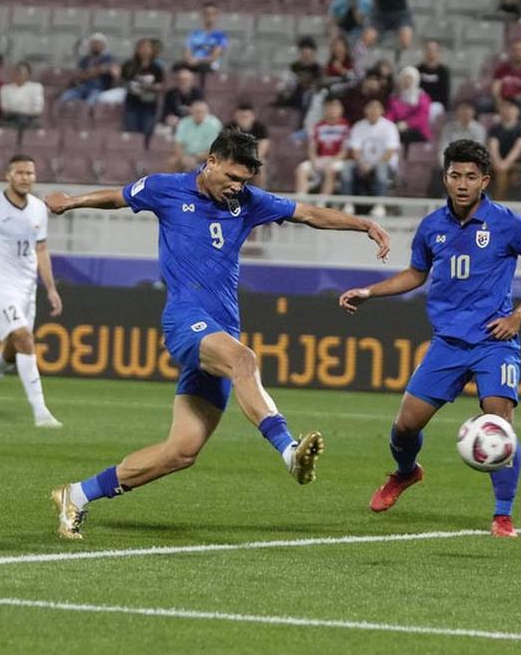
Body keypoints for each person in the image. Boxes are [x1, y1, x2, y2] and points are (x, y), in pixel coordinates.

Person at [45, 130, 392, 540]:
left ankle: (76, 495)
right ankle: (288, 451)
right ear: (210, 161)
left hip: (220, 330)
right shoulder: (165, 189)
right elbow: (117, 196)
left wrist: (364, 224)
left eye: (243, 181)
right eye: (231, 176)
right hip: (184, 320)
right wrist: (70, 202)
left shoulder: (247, 203)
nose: (236, 187)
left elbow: (308, 213)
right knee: (244, 360)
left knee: (182, 451)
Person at [338, 139, 521, 538]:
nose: (462, 183)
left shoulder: (508, 223)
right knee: (404, 426)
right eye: (455, 175)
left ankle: (502, 515)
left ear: (485, 181)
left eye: (471, 177)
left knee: (499, 421)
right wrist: (370, 291)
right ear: (445, 177)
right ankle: (406, 473)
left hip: (494, 341)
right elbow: (415, 274)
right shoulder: (432, 227)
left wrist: (518, 316)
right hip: (448, 344)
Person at [0, 155, 62, 428]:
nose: (26, 178)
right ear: (8, 176)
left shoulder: (38, 209)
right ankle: (41, 412)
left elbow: (41, 250)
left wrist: (51, 289)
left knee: (12, 350)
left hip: (27, 287)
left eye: (30, 173)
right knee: (23, 338)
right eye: (20, 173)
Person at [339, 98, 400, 197]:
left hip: (384, 163)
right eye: (371, 107)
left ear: (382, 110)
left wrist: (373, 165)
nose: (373, 110)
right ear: (365, 110)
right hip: (363, 163)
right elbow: (355, 150)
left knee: (381, 168)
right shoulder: (358, 126)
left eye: (377, 108)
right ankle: (347, 202)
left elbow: (390, 152)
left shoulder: (390, 127)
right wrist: (361, 163)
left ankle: (380, 204)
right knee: (347, 166)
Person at [295, 97, 350, 196]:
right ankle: (301, 200)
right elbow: (312, 147)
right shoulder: (318, 126)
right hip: (320, 159)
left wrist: (333, 161)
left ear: (341, 110)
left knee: (331, 170)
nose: (332, 110)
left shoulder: (345, 126)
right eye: (329, 107)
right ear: (325, 110)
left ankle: (322, 201)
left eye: (335, 107)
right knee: (301, 169)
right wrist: (314, 161)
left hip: (337, 160)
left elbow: (345, 150)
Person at [120, 39, 164, 137]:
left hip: (149, 104)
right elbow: (123, 80)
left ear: (152, 50)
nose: (145, 50)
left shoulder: (157, 67)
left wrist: (149, 86)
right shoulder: (129, 65)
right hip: (132, 103)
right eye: (142, 47)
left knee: (147, 131)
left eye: (147, 48)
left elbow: (161, 85)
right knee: (132, 132)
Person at [487, 99, 521, 200]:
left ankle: (499, 202)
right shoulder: (495, 129)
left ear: (517, 111)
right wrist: (498, 163)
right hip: (495, 164)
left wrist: (505, 164)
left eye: (510, 107)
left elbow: (518, 148)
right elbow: (493, 146)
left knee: (503, 173)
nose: (507, 110)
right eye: (504, 107)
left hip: (516, 164)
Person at [57, 33, 116, 105]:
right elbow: (79, 75)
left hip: (97, 89)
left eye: (98, 43)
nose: (95, 45)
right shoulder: (85, 59)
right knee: (64, 98)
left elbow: (105, 69)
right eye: (93, 43)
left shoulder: (108, 58)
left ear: (103, 45)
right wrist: (94, 72)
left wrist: (88, 73)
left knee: (90, 104)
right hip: (82, 87)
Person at [223, 102, 271, 187]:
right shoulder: (229, 127)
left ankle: (260, 192)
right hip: (234, 157)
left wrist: (250, 159)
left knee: (260, 165)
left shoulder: (260, 128)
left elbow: (263, 147)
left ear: (253, 117)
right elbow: (226, 146)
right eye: (240, 117)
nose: (243, 119)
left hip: (253, 158)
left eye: (246, 117)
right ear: (235, 117)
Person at [171, 99, 223, 171]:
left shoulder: (214, 124)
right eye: (196, 111)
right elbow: (178, 144)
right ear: (191, 111)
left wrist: (196, 158)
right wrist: (183, 158)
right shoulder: (184, 122)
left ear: (207, 112)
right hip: (187, 156)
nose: (199, 114)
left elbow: (215, 149)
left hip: (207, 156)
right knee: (172, 162)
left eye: (202, 112)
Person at [491, 39, 521, 114]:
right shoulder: (502, 69)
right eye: (515, 50)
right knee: (482, 105)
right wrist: (499, 101)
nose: (518, 52)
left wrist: (512, 103)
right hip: (502, 100)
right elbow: (496, 88)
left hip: (518, 101)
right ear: (510, 52)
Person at [182, 3, 229, 79]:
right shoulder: (194, 34)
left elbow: (213, 57)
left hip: (210, 65)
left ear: (217, 16)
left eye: (213, 14)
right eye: (206, 14)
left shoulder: (220, 36)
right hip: (193, 63)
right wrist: (189, 59)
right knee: (178, 67)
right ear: (202, 16)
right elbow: (186, 52)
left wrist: (197, 60)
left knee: (202, 68)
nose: (209, 17)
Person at [387, 65, 431, 145]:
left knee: (400, 136)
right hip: (398, 128)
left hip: (418, 130)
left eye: (410, 78)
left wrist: (407, 124)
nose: (407, 81)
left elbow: (422, 117)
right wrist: (388, 124)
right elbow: (391, 114)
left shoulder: (422, 96)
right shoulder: (395, 96)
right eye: (404, 78)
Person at [0, 61, 44, 130]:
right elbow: (5, 108)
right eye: (17, 72)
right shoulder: (5, 88)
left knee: (32, 124)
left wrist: (20, 111)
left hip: (30, 119)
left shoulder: (37, 87)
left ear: (29, 75)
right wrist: (23, 110)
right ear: (13, 74)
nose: (20, 75)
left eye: (23, 73)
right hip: (10, 118)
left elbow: (37, 110)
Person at [416, 40, 451, 120]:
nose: (431, 53)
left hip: (436, 104)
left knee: (433, 110)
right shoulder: (417, 70)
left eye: (433, 50)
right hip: (420, 102)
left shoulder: (443, 71)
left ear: (438, 53)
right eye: (428, 50)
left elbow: (444, 93)